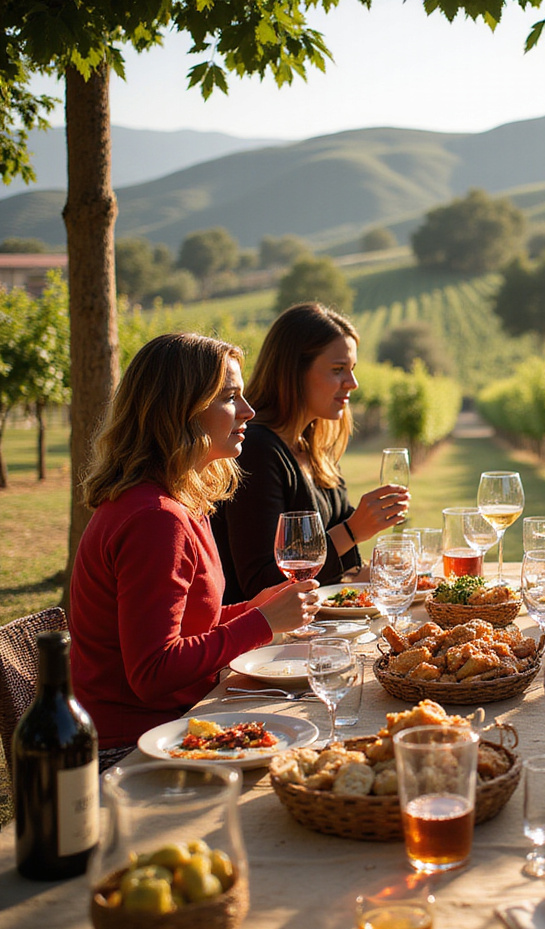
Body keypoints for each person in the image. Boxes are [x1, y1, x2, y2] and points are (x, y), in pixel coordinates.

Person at [69, 333, 318, 764]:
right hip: (130, 749)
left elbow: (183, 629)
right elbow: (152, 671)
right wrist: (261, 622)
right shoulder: (154, 519)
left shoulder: (182, 501)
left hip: (180, 721)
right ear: (180, 410)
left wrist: (252, 609)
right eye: (229, 397)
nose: (248, 411)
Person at [212, 302, 408, 602]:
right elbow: (260, 583)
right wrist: (354, 530)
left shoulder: (316, 447)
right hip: (266, 642)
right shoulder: (255, 450)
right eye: (338, 370)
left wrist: (395, 574)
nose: (352, 383)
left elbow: (342, 567)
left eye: (351, 370)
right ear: (294, 371)